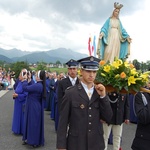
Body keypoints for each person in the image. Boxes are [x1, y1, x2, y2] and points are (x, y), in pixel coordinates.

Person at [56, 56, 113, 150]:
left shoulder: (99, 92)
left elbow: (108, 117)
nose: (91, 75)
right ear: (81, 71)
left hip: (96, 143)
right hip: (77, 143)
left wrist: (103, 96)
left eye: (94, 72)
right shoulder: (71, 93)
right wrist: (61, 146)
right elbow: (63, 122)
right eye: (88, 71)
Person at [22, 70, 46, 147]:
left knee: (33, 124)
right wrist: (29, 79)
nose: (35, 76)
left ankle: (33, 141)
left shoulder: (38, 85)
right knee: (33, 123)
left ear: (38, 77)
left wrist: (25, 80)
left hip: (33, 107)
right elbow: (32, 85)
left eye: (36, 75)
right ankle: (32, 139)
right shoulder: (39, 84)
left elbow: (25, 88)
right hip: (35, 106)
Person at [12, 69, 28, 135]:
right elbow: (16, 90)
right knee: (17, 116)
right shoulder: (20, 83)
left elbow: (26, 94)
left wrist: (18, 95)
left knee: (21, 116)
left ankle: (21, 130)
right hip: (17, 102)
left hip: (22, 102)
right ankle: (16, 129)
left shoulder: (25, 84)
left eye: (20, 76)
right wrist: (14, 94)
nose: (19, 77)